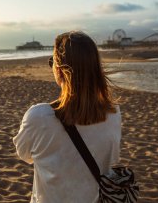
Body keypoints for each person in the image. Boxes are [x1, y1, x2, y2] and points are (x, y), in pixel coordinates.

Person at [13, 31, 122, 203]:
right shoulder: (113, 113)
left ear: (60, 70)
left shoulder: (39, 116)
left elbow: (24, 154)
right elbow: (111, 159)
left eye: (53, 62)